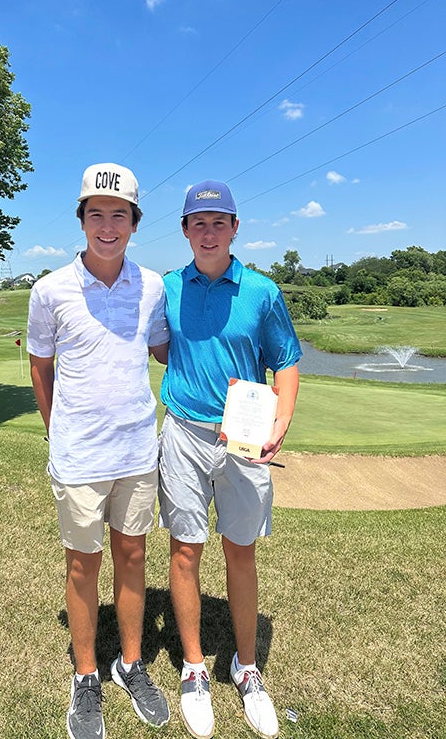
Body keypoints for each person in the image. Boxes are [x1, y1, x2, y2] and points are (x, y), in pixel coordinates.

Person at [27, 163, 170, 739]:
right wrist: (55, 428)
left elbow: (163, 350)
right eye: (96, 214)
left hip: (138, 449)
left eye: (118, 215)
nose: (106, 225)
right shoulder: (50, 289)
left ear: (133, 223)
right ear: (82, 220)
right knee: (82, 564)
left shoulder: (154, 285)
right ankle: (86, 675)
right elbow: (41, 366)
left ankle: (129, 663)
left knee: (133, 557)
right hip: (80, 456)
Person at [158, 180, 301, 739]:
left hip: (244, 440)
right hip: (185, 433)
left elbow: (285, 359)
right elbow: (160, 344)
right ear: (186, 231)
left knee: (240, 552)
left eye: (220, 222)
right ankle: (194, 668)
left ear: (235, 228)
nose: (209, 231)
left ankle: (247, 668)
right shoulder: (167, 287)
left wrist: (281, 420)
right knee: (185, 549)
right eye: (199, 222)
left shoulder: (262, 291)